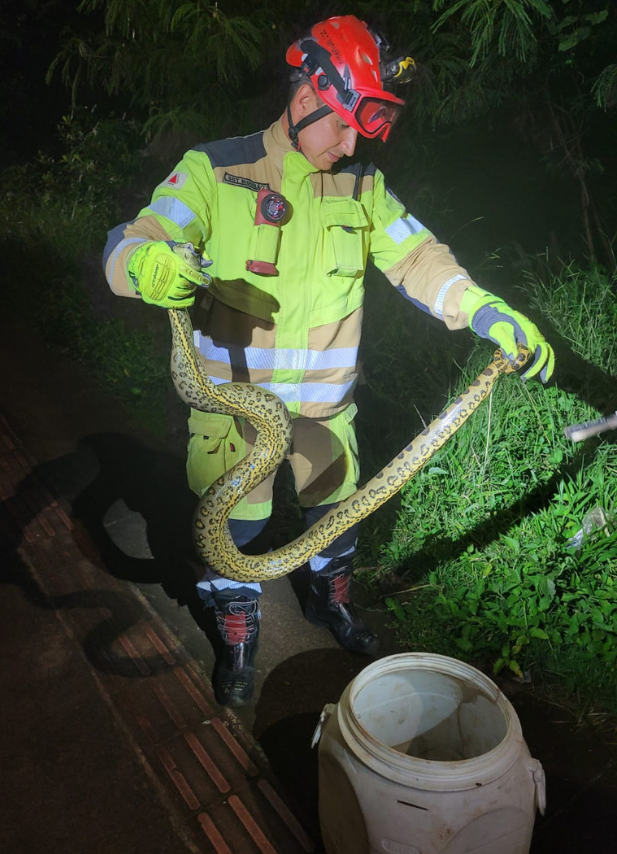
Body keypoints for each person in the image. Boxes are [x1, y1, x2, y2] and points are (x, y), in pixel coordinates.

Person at [101, 14, 555, 707]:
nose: (351, 145)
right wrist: (146, 268)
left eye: (364, 132)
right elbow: (131, 243)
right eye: (342, 126)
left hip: (324, 415)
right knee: (232, 536)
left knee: (334, 521)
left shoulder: (362, 187)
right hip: (234, 419)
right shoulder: (215, 169)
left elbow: (419, 258)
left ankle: (329, 602)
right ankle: (238, 633)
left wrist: (483, 308)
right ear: (306, 95)